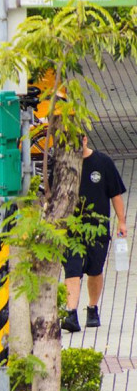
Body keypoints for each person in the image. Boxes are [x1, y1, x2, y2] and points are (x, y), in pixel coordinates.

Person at [61, 135, 127, 332]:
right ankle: (71, 313)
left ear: (85, 140)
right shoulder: (64, 165)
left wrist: (122, 221)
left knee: (95, 270)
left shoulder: (103, 162)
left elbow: (115, 194)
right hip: (71, 229)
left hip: (97, 228)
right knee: (72, 269)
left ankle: (92, 307)